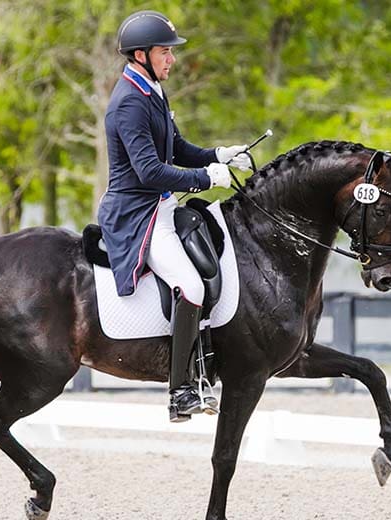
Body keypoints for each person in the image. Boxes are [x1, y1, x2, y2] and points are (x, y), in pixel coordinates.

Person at [99, 10, 252, 422]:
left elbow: (177, 149)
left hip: (162, 205)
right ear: (141, 54)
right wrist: (207, 178)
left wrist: (220, 155)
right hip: (139, 213)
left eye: (170, 52)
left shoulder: (151, 90)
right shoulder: (129, 102)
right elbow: (149, 171)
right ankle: (180, 390)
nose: (172, 59)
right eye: (166, 52)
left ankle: (204, 368)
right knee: (190, 286)